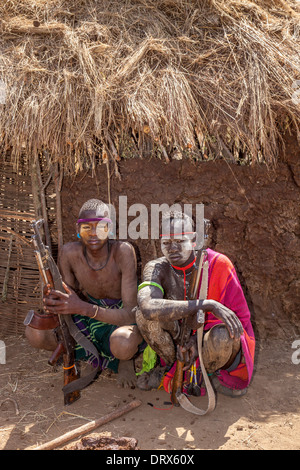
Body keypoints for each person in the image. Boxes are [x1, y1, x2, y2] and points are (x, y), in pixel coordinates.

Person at [135, 210, 255, 398]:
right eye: (166, 243)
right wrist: (206, 304)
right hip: (177, 341)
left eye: (180, 242)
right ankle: (172, 366)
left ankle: (210, 372)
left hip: (209, 340)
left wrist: (196, 342)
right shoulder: (157, 267)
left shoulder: (218, 264)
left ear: (193, 240)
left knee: (223, 335)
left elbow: (239, 319)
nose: (173, 249)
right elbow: (148, 307)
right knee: (143, 317)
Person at [25, 199, 143, 388]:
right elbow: (67, 296)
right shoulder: (69, 253)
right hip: (87, 316)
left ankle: (125, 360)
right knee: (35, 333)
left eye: (101, 227)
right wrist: (53, 300)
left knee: (122, 343)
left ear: (110, 229)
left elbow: (130, 314)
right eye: (87, 227)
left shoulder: (123, 252)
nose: (94, 233)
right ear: (78, 230)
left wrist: (85, 308)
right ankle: (82, 355)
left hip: (119, 317)